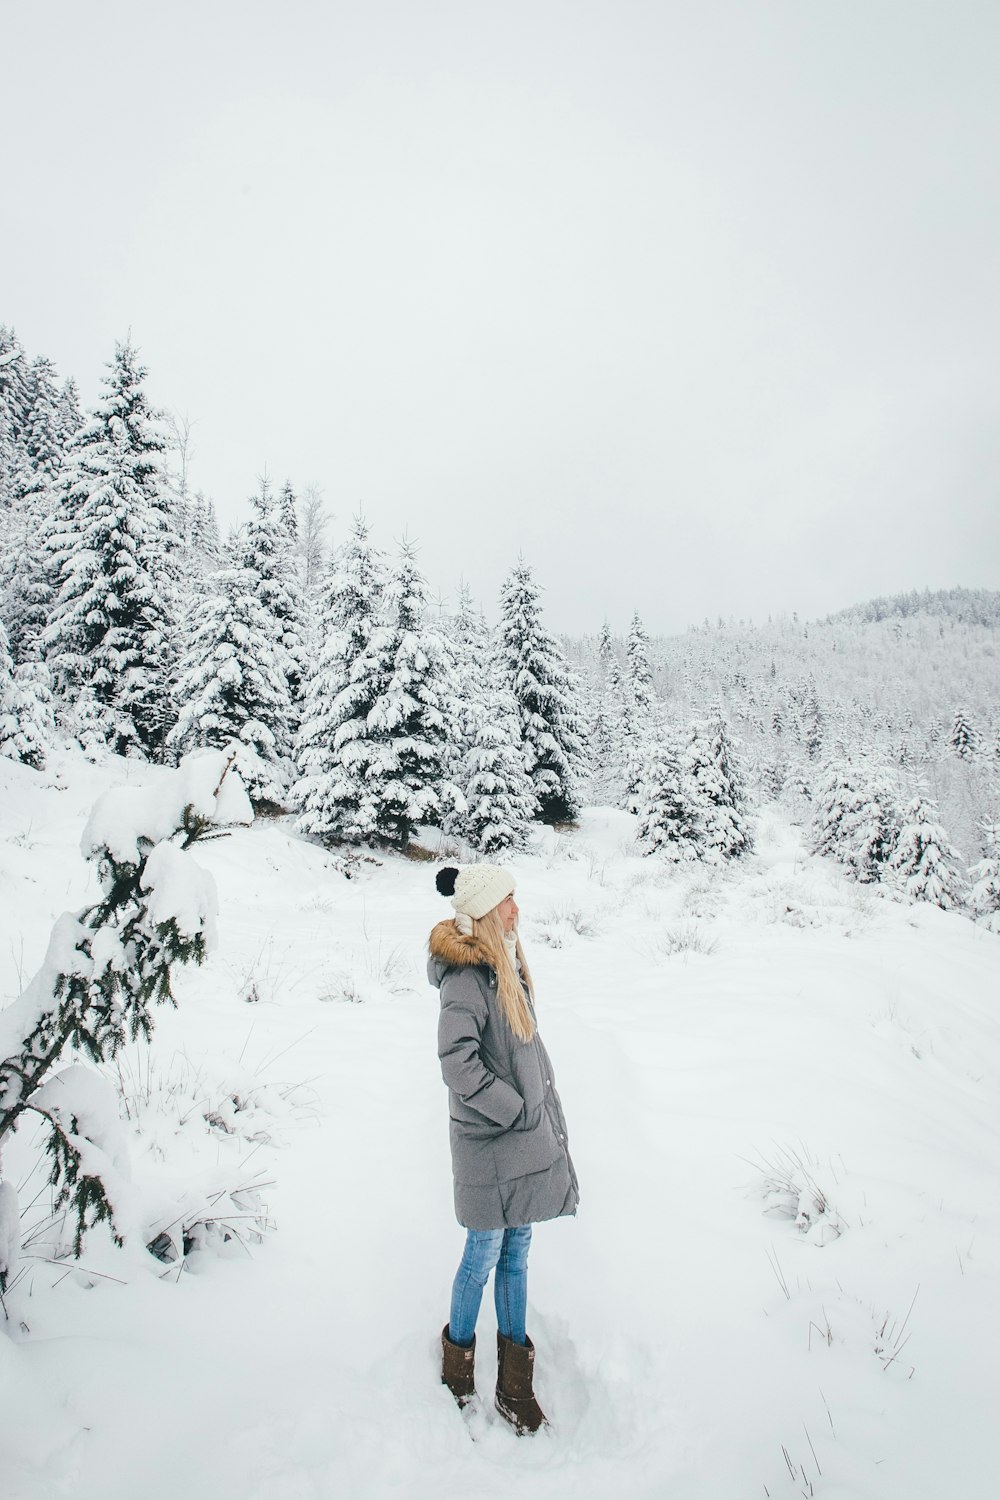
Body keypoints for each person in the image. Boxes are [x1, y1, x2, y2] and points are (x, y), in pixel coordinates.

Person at [428, 863, 579, 1434]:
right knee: (483, 1255)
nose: (518, 909)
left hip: (520, 1143)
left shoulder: (505, 963)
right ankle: (457, 1372)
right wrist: (513, 1109)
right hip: (491, 1146)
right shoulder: (466, 978)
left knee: (517, 1253)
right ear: (489, 910)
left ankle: (515, 1387)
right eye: (510, 901)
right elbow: (457, 1063)